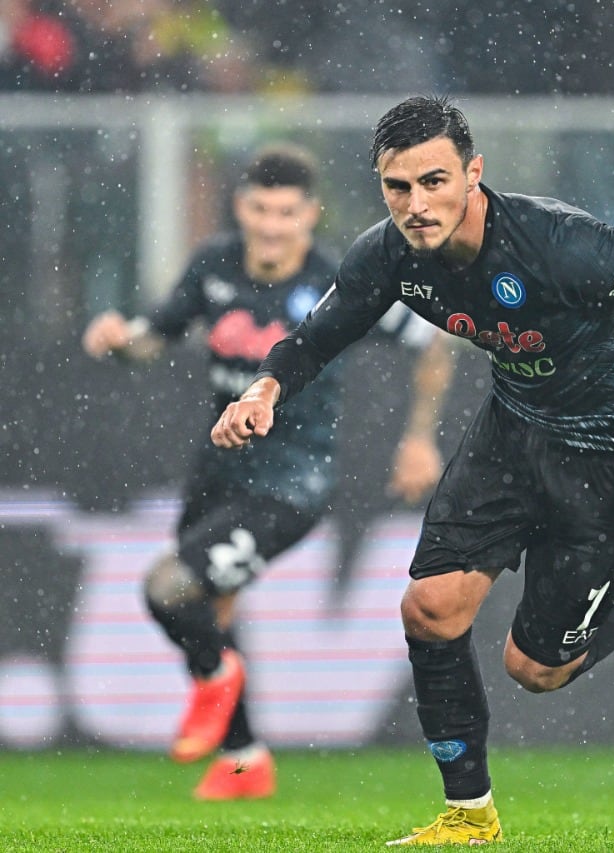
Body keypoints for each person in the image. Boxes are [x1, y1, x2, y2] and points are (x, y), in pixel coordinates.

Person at [209, 95, 614, 845]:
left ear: (474, 173)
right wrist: (264, 390)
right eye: (397, 187)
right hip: (515, 431)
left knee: (537, 670)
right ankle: (470, 814)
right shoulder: (389, 253)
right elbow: (315, 336)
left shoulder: (560, 246)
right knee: (429, 609)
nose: (416, 204)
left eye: (433, 181)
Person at [82, 143, 452, 801]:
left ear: (310, 214)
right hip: (218, 467)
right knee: (212, 607)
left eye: (286, 213)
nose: (272, 226)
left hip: (291, 481)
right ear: (241, 208)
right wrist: (119, 340)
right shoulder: (213, 265)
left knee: (171, 589)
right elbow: (154, 337)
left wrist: (420, 438)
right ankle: (244, 759)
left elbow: (434, 339)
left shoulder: (341, 279)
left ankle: (214, 677)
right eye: (260, 210)